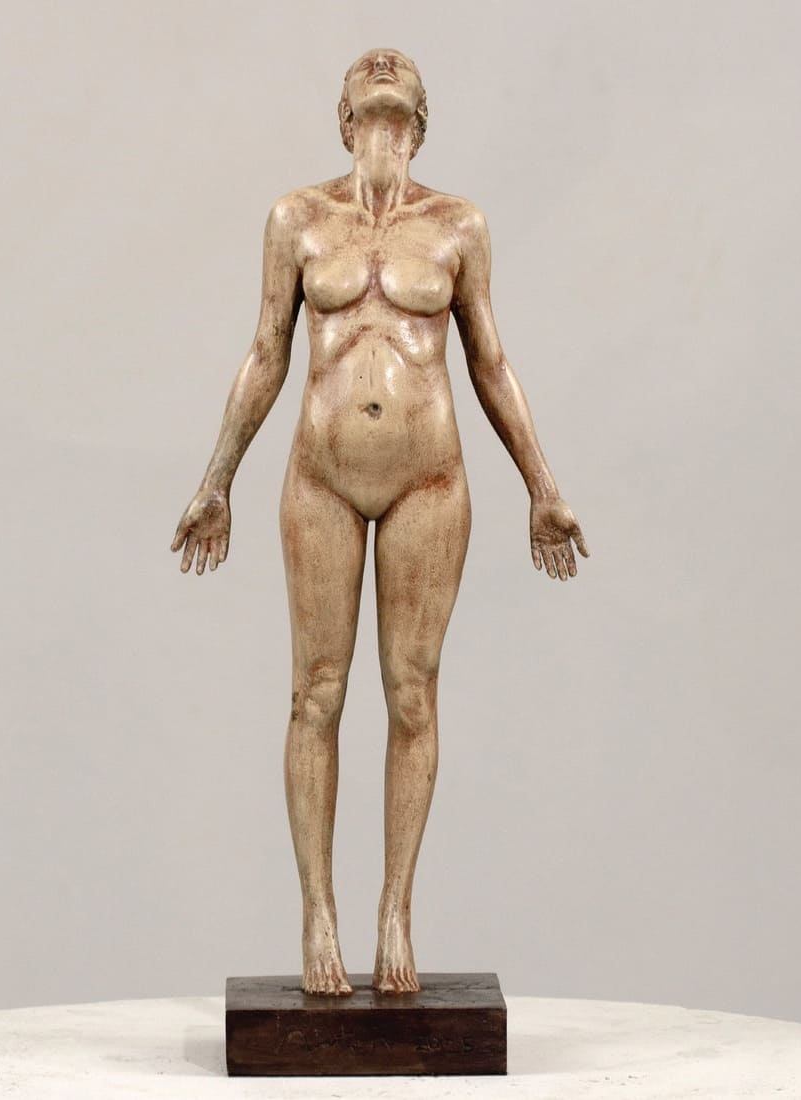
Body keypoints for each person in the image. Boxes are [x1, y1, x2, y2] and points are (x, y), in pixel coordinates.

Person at [171, 48, 588, 996]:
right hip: (320, 475)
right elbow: (265, 353)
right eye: (367, 70)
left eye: (398, 73)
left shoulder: (456, 225)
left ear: (420, 122)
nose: (384, 64)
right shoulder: (297, 219)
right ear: (344, 117)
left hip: (427, 478)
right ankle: (317, 910)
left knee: (412, 696)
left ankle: (395, 909)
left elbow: (489, 361)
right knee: (314, 693)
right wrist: (216, 478)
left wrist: (542, 486)